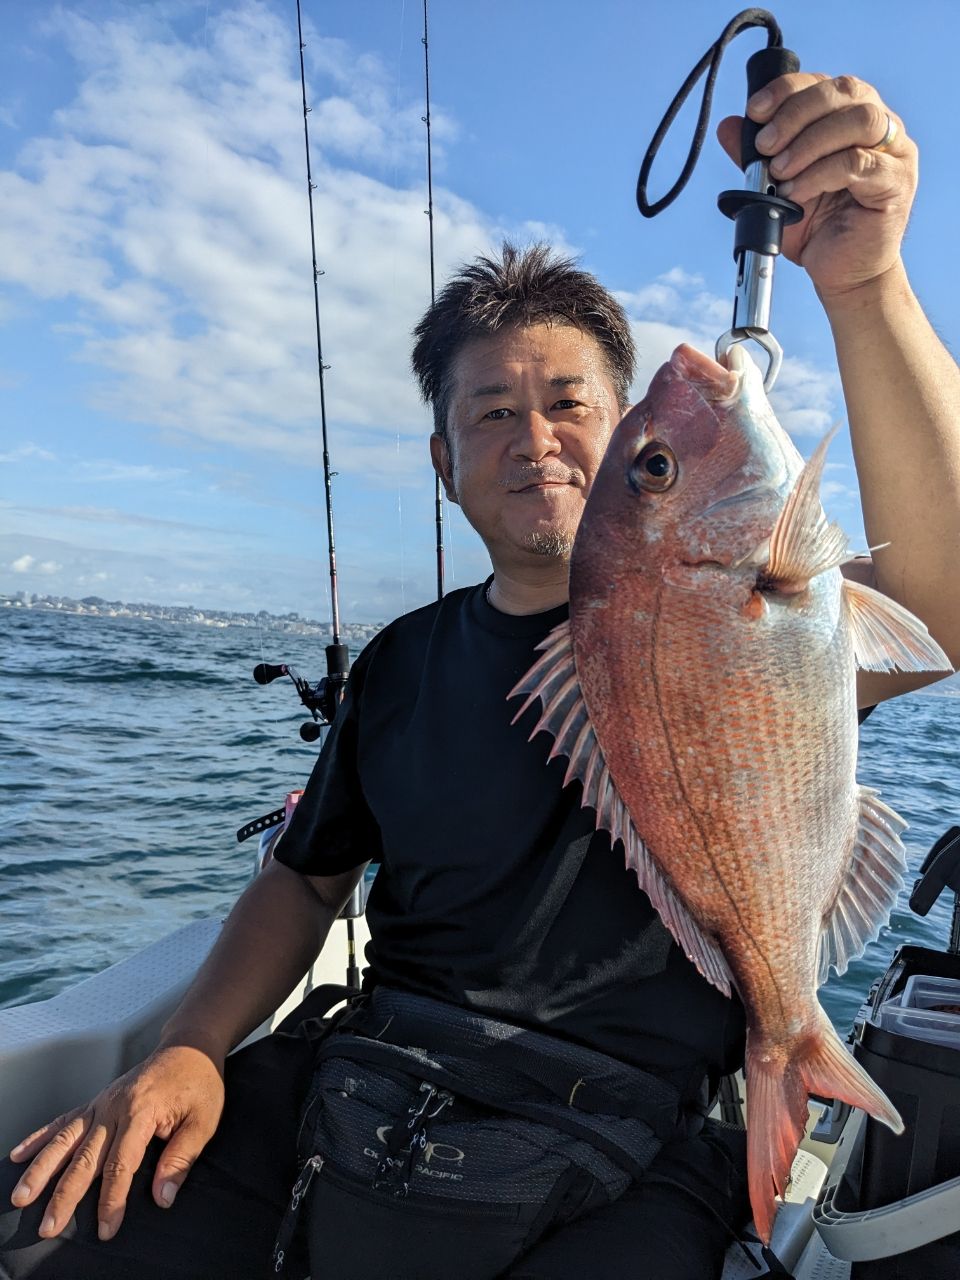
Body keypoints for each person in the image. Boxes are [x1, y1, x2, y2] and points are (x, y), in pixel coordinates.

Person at [2, 71, 959, 1280]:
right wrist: (192, 1043)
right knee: (70, 1240)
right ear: (447, 464)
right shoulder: (404, 662)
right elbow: (305, 883)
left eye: (570, 402)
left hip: (637, 1122)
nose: (534, 435)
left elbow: (944, 605)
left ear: (618, 438)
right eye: (490, 413)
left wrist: (866, 289)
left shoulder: (741, 617)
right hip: (372, 1069)